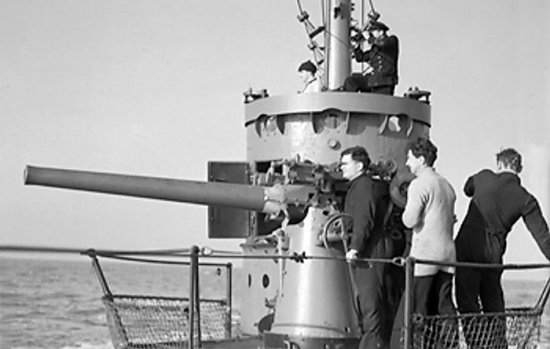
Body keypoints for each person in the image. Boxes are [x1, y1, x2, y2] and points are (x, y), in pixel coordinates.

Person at [455, 148, 550, 348]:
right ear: (519, 168)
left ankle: (477, 344)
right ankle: (498, 345)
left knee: (467, 300)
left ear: (499, 165)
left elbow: (467, 189)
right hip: (493, 252)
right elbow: (543, 238)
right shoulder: (526, 198)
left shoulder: (483, 177)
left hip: (467, 246)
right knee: (493, 300)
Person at [393, 137, 458, 348]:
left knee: (417, 308)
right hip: (448, 255)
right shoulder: (446, 185)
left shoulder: (419, 184)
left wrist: (405, 214)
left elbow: (410, 220)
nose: (407, 163)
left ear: (421, 159)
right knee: (443, 306)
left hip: (426, 255)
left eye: (410, 158)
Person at [341, 146, 402, 349]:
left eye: (345, 164)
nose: (341, 168)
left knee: (371, 303)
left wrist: (355, 247)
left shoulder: (364, 187)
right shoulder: (362, 186)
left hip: (371, 251)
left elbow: (364, 218)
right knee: (372, 303)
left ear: (359, 165)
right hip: (375, 247)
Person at [343, 21, 399, 95]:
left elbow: (382, 44)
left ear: (381, 32)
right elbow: (360, 58)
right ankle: (349, 102)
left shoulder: (392, 40)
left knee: (380, 102)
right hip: (373, 80)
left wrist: (369, 38)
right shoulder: (374, 49)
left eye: (373, 31)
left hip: (385, 82)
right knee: (351, 81)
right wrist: (356, 47)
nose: (371, 33)